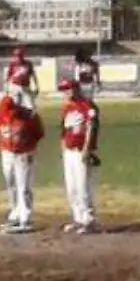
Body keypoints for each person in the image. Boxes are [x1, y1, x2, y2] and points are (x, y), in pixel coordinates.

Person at [0, 64, 42, 234]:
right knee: (10, 182)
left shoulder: (28, 112)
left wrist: (28, 150)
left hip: (23, 152)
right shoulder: (3, 108)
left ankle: (25, 216)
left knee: (24, 185)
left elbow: (38, 132)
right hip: (7, 150)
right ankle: (15, 213)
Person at [57, 76, 101, 234]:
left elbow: (91, 127)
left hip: (81, 150)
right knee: (72, 188)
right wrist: (63, 148)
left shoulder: (87, 105)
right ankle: (78, 218)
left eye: (68, 89)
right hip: (69, 151)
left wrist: (86, 149)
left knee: (83, 187)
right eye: (64, 90)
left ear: (76, 89)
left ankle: (88, 220)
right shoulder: (67, 107)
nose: (66, 93)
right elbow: (63, 130)